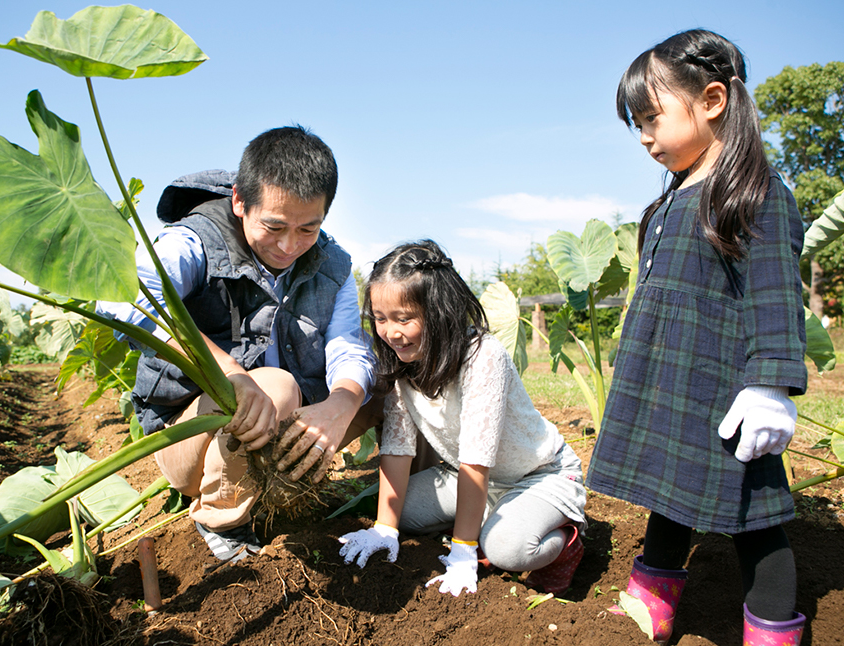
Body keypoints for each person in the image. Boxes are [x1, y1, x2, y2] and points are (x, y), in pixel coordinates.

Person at [586, 30, 808, 645]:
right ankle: (649, 607)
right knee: (669, 495)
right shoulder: (670, 201)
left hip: (721, 391)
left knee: (754, 520)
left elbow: (774, 296)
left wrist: (771, 385)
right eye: (636, 124)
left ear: (711, 100)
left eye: (652, 118)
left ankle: (770, 631)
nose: (644, 137)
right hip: (672, 385)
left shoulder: (753, 194)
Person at [98, 125, 378, 563]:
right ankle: (222, 519)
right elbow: (129, 300)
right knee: (275, 387)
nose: (289, 246)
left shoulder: (332, 264)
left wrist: (340, 405)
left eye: (308, 228)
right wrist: (229, 372)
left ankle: (293, 489)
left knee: (380, 392)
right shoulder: (194, 240)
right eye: (274, 226)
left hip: (276, 434)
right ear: (239, 202)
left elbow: (348, 346)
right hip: (190, 437)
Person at [336, 240, 587, 597]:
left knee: (508, 550)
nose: (390, 332)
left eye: (404, 319)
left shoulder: (482, 356)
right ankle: (490, 518)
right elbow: (397, 446)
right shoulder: (401, 361)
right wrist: (384, 529)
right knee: (399, 512)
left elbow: (477, 459)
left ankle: (566, 543)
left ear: (438, 312)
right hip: (465, 476)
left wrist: (463, 551)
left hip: (538, 476)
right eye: (380, 319)